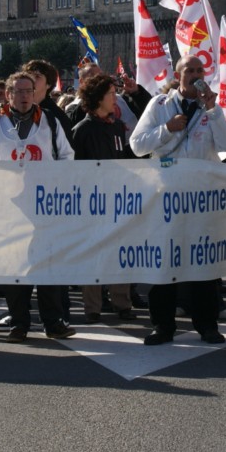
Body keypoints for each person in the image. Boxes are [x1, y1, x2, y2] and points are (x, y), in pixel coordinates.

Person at [130, 56, 226, 345]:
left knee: (202, 263)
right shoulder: (161, 106)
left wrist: (214, 111)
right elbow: (137, 145)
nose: (194, 74)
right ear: (177, 76)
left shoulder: (211, 108)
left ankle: (207, 325)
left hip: (202, 200)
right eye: (188, 70)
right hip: (166, 199)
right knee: (165, 262)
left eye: (199, 70)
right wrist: (167, 129)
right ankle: (163, 326)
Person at [0, 71, 76, 343]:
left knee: (47, 266)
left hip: (44, 207)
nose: (24, 95)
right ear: (8, 94)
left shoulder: (50, 122)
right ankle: (19, 322)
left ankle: (53, 322)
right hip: (10, 209)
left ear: (35, 93)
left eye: (28, 90)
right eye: (18, 91)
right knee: (15, 268)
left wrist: (51, 177)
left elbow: (67, 156)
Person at [71, 73, 137, 323]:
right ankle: (93, 307)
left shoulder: (118, 127)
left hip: (118, 201)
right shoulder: (82, 130)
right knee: (94, 254)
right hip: (92, 204)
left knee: (119, 252)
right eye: (111, 93)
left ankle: (122, 303)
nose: (115, 98)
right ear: (98, 98)